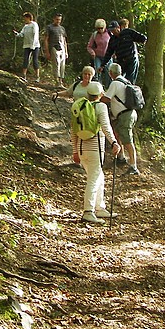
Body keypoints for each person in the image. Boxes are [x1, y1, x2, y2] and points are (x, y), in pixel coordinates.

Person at [72, 81, 122, 224]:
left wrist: (75, 151)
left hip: (82, 149)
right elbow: (106, 126)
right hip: (95, 149)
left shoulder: (79, 106)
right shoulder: (101, 106)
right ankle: (88, 211)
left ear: (88, 94)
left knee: (99, 176)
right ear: (100, 94)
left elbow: (74, 130)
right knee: (94, 178)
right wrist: (114, 142)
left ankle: (99, 207)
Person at [102, 63, 140, 176]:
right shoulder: (125, 81)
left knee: (127, 140)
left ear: (111, 73)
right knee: (117, 134)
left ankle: (133, 166)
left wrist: (96, 97)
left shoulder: (115, 83)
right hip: (129, 114)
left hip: (125, 116)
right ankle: (121, 157)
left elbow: (106, 99)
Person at [98, 18, 147, 85]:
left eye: (113, 30)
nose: (112, 32)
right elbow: (109, 53)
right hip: (121, 61)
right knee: (119, 79)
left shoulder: (127, 32)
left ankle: (129, 93)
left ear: (118, 27)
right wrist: (102, 65)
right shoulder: (112, 40)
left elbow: (142, 38)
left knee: (130, 81)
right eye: (111, 31)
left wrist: (143, 40)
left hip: (131, 60)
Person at [13, 12, 40, 83]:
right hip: (26, 45)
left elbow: (35, 35)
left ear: (28, 18)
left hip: (35, 45)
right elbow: (22, 34)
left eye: (25, 18)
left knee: (35, 61)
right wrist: (17, 34)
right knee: (25, 60)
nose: (24, 19)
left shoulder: (34, 24)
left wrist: (33, 45)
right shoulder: (25, 26)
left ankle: (37, 76)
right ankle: (24, 75)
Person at [44, 13, 69, 88]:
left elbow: (64, 40)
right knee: (56, 64)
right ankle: (57, 81)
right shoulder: (49, 27)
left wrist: (66, 51)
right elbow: (46, 39)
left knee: (62, 65)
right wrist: (47, 51)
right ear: (54, 19)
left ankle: (61, 81)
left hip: (62, 48)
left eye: (60, 20)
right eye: (57, 19)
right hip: (53, 47)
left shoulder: (62, 28)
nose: (58, 21)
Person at [86, 18, 112, 88]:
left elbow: (114, 44)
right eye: (98, 28)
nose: (100, 30)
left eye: (101, 28)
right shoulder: (94, 35)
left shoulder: (109, 34)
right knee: (97, 72)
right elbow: (89, 46)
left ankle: (108, 88)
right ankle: (98, 87)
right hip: (98, 57)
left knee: (109, 73)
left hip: (108, 57)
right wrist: (92, 52)